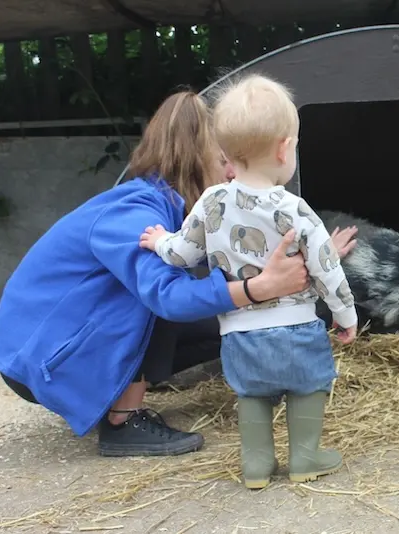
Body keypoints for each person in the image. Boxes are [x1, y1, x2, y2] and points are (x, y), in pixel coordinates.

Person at [0, 90, 359, 458]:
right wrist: (258, 288)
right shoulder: (134, 211)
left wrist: (316, 251)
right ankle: (124, 420)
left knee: (223, 324)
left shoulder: (174, 206)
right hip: (39, 357)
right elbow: (167, 297)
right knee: (169, 294)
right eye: (225, 161)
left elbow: (235, 253)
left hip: (61, 341)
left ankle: (120, 391)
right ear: (197, 158)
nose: (234, 172)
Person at [139, 73, 358, 488]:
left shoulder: (211, 200)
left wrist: (158, 242)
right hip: (296, 327)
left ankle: (257, 465)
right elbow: (327, 265)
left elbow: (184, 252)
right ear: (284, 148)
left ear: (225, 152)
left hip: (240, 331)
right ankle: (306, 456)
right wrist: (345, 315)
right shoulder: (294, 207)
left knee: (252, 396)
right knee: (308, 387)